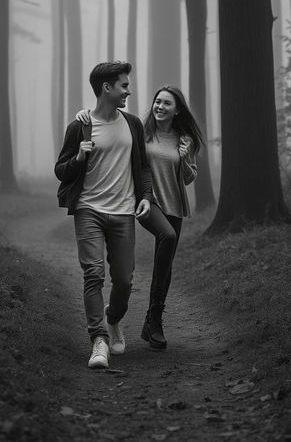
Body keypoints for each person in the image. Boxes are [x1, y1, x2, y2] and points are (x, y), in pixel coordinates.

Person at [76, 85, 203, 350]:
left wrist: (184, 159)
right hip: (146, 201)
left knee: (166, 261)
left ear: (177, 110)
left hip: (174, 204)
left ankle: (153, 324)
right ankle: (153, 317)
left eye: (167, 103)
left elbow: (189, 178)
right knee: (166, 236)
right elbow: (111, 128)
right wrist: (84, 115)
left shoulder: (184, 139)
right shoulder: (140, 132)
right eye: (157, 102)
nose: (160, 107)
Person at [55, 61, 152, 370]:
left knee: (123, 279)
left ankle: (112, 320)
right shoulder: (80, 126)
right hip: (89, 210)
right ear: (107, 88)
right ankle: (99, 339)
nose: (129, 90)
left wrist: (146, 197)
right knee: (93, 274)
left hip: (124, 212)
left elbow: (144, 166)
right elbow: (61, 171)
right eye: (124, 85)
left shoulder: (133, 124)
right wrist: (80, 157)